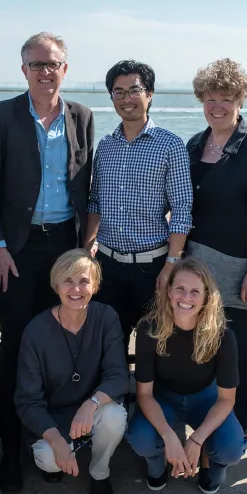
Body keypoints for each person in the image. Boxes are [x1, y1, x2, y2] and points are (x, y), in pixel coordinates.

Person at [0, 31, 95, 493]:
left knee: (65, 344)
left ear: (66, 69)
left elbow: (86, 187)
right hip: (18, 251)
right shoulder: (2, 115)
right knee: (18, 347)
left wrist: (88, 244)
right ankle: (11, 448)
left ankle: (57, 439)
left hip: (66, 247)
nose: (45, 71)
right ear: (22, 69)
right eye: (36, 64)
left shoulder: (82, 117)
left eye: (53, 64)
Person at [183, 59, 247, 441]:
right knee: (202, 356)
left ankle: (235, 436)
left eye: (225, 98)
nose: (217, 106)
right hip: (198, 279)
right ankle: (203, 431)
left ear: (240, 100)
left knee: (239, 360)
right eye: (210, 98)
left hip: (243, 279)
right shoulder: (195, 146)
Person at [84, 59, 192, 351]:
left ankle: (148, 398)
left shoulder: (171, 146)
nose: (126, 99)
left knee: (155, 346)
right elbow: (94, 202)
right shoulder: (105, 146)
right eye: (118, 92)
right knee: (108, 345)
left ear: (150, 94)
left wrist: (170, 266)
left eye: (134, 90)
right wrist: (86, 252)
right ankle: (112, 398)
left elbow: (182, 209)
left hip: (153, 267)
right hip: (106, 266)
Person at [15, 249, 129, 494]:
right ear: (56, 285)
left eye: (84, 281)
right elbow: (27, 400)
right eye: (68, 280)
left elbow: (119, 374)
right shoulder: (35, 331)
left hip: (92, 409)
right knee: (49, 460)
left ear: (95, 285)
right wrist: (55, 440)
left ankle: (99, 472)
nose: (76, 289)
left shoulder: (106, 317)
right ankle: (63, 449)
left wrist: (91, 404)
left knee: (115, 416)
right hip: (53, 417)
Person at [125, 258, 244, 494]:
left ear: (206, 297)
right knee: (141, 438)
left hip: (206, 398)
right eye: (179, 288)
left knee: (231, 447)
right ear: (168, 291)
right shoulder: (150, 329)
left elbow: (227, 399)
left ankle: (212, 468)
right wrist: (169, 438)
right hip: (163, 398)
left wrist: (197, 440)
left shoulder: (223, 335)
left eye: (194, 291)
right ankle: (157, 466)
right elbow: (144, 394)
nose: (186, 297)